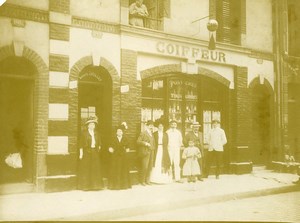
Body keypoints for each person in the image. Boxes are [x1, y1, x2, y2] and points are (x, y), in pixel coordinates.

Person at [77, 116, 103, 190]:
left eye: (93, 125)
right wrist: (81, 154)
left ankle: (96, 186)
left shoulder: (97, 133)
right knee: (86, 169)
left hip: (94, 153)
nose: (92, 126)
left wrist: (99, 148)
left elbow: (100, 143)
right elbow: (81, 144)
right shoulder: (84, 133)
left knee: (95, 169)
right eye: (91, 124)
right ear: (88, 125)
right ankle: (85, 186)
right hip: (86, 153)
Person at [108, 126, 131, 190]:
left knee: (123, 169)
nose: (119, 132)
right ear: (116, 132)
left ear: (122, 132)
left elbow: (128, 146)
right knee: (115, 169)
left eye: (120, 131)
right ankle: (115, 186)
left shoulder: (125, 138)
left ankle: (123, 185)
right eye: (118, 131)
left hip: (123, 156)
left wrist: (127, 149)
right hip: (115, 156)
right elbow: (110, 146)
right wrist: (110, 149)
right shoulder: (113, 138)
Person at [137, 120, 155, 186]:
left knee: (150, 166)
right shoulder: (143, 133)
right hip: (145, 152)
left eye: (152, 125)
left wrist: (153, 149)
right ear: (147, 126)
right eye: (150, 125)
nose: (151, 127)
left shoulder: (151, 133)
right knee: (145, 166)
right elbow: (138, 141)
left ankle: (147, 180)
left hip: (152, 152)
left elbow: (153, 143)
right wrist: (145, 143)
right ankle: (142, 181)